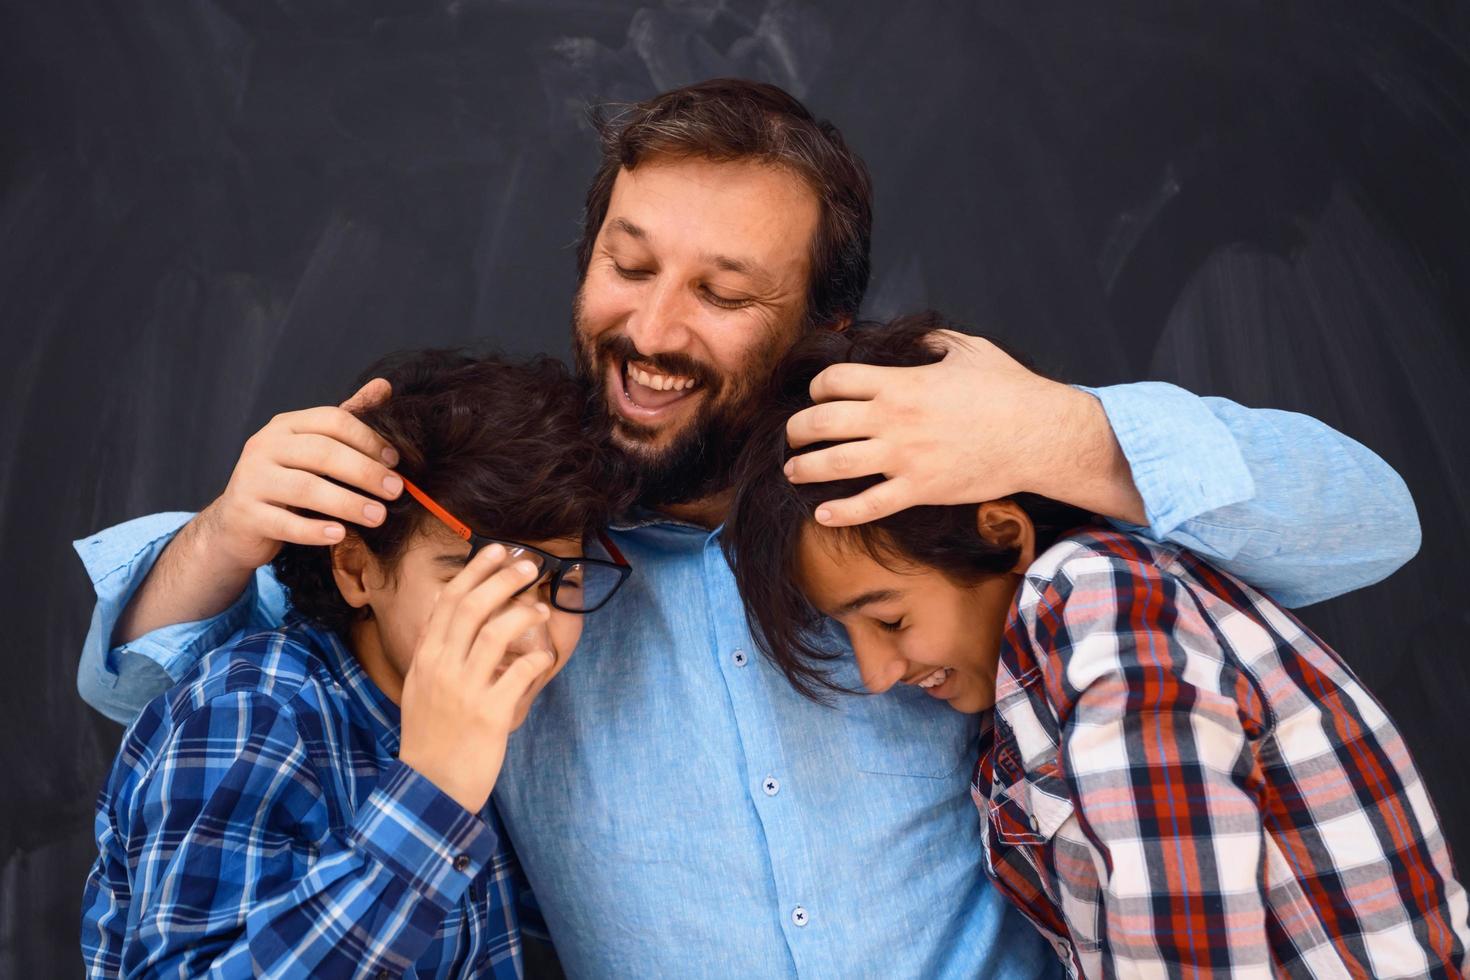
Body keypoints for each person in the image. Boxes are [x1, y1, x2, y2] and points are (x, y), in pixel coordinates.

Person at [74, 80, 1423, 978]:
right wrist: (226, 530)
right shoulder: (516, 560)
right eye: (629, 263)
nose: (652, 332)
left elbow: (1371, 525)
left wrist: (1060, 430)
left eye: (723, 291)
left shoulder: (946, 490)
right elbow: (150, 680)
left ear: (817, 328)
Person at [724, 314, 1469, 977]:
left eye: (887, 620)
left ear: (1002, 534)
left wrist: (1059, 428)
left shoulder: (1089, 600)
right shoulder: (1020, 705)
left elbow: (1187, 943)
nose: (878, 673)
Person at [80, 350, 632, 978]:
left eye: (563, 580)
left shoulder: (499, 723)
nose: (529, 631)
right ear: (356, 567)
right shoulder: (253, 715)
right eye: (478, 579)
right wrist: (435, 794)